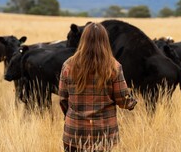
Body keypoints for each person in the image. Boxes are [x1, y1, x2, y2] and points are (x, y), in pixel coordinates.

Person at [58, 22, 137, 152]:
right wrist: (132, 103)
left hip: (74, 133)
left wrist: (73, 117)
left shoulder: (68, 65)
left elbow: (62, 100)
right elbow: (122, 100)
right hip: (104, 135)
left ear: (83, 40)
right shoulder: (114, 67)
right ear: (105, 41)